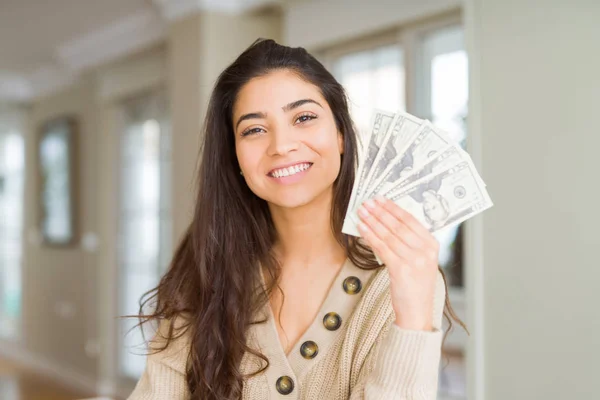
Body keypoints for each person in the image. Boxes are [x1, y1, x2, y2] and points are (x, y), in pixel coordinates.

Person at [127, 38, 465, 400]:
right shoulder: (205, 265)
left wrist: (412, 313)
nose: (281, 145)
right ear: (234, 155)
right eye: (254, 129)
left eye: (303, 118)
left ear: (340, 135)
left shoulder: (401, 276)